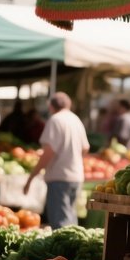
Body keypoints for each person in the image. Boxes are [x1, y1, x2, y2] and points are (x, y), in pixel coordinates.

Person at [24, 92, 89, 229]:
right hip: (76, 176)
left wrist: (31, 178)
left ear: (51, 107)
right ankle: (74, 249)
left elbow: (49, 152)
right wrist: (72, 159)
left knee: (61, 225)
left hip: (59, 177)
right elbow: (85, 148)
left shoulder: (55, 120)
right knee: (70, 221)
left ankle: (65, 251)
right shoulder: (75, 119)